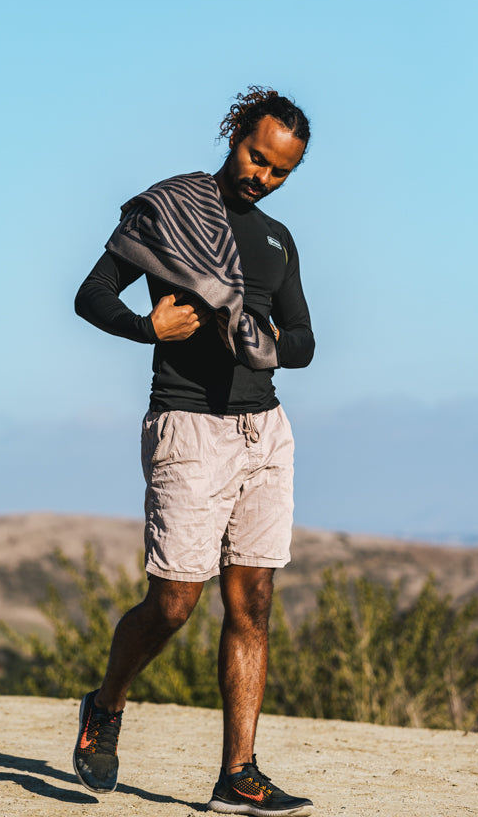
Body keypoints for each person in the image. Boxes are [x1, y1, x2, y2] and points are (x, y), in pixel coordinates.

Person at [73, 86, 315, 816]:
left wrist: (266, 344)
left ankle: (237, 770)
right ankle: (105, 704)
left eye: (278, 172)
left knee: (254, 602)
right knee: (175, 603)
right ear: (234, 132)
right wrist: (147, 329)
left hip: (263, 430)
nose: (261, 177)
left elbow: (302, 340)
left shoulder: (276, 239)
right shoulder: (169, 212)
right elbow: (91, 294)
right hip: (187, 427)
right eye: (255, 157)